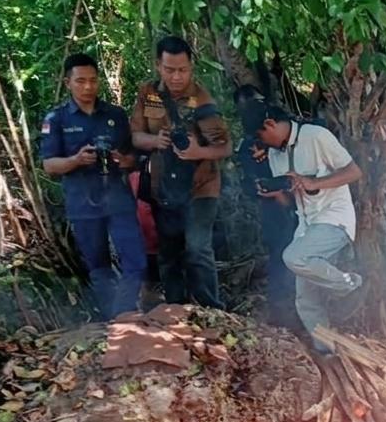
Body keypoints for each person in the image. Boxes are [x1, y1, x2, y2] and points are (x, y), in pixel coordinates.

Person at [244, 102, 364, 350]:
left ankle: (349, 284)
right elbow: (290, 201)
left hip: (334, 217)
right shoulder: (276, 155)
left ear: (269, 124)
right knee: (305, 299)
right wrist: (274, 192)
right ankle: (327, 350)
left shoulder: (315, 136)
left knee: (294, 257)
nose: (262, 142)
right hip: (306, 223)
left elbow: (354, 172)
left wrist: (313, 182)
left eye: (261, 135)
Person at [40, 53, 146, 319]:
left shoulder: (115, 115)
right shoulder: (57, 119)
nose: (88, 87)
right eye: (80, 81)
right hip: (82, 202)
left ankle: (125, 312)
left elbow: (134, 157)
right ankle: (110, 319)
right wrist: (76, 160)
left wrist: (124, 160)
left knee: (135, 260)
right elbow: (49, 165)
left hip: (117, 199)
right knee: (99, 266)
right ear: (68, 83)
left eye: (93, 81)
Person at [130, 36, 231, 309]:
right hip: (164, 187)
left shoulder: (202, 99)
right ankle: (175, 310)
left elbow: (225, 147)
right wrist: (155, 142)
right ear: (158, 66)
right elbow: (136, 135)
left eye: (183, 70)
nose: (177, 77)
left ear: (191, 67)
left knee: (198, 248)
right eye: (170, 69)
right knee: (169, 253)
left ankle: (212, 310)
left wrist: (199, 152)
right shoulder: (149, 93)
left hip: (201, 186)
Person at [234, 85, 298, 327]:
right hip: (275, 210)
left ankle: (304, 312)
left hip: (305, 202)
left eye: (256, 103)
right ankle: (282, 316)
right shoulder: (248, 146)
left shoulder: (284, 127)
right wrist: (268, 191)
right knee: (280, 258)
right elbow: (249, 184)